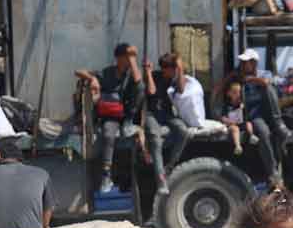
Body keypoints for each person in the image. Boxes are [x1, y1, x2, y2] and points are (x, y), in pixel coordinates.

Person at [214, 49, 291, 188]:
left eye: (246, 62)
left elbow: (267, 82)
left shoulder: (263, 74)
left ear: (254, 63)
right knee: (262, 131)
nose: (243, 64)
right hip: (249, 116)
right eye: (242, 62)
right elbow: (219, 88)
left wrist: (251, 79)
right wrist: (231, 77)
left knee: (268, 89)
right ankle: (272, 171)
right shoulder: (237, 76)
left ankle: (279, 124)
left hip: (264, 113)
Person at [75, 43, 145, 193]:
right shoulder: (107, 73)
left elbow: (139, 84)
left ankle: (128, 123)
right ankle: (106, 175)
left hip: (126, 114)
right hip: (111, 115)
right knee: (108, 135)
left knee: (140, 88)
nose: (130, 60)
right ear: (119, 58)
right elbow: (78, 71)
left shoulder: (131, 74)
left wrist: (133, 59)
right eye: (127, 57)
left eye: (131, 57)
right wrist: (92, 79)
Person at [144, 53, 200, 195]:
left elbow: (181, 90)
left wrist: (180, 69)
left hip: (167, 114)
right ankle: (160, 179)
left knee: (184, 131)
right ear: (166, 69)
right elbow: (151, 91)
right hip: (152, 114)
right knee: (155, 140)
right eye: (173, 68)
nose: (175, 71)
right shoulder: (155, 75)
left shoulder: (174, 80)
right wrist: (148, 73)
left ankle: (169, 166)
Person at [220, 80, 258, 156]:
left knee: (248, 124)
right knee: (235, 129)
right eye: (235, 92)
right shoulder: (227, 105)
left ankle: (251, 135)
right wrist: (228, 121)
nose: (238, 95)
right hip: (232, 125)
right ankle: (237, 146)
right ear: (228, 94)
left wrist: (243, 108)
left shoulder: (242, 104)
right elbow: (223, 118)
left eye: (239, 92)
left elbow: (246, 117)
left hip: (241, 124)